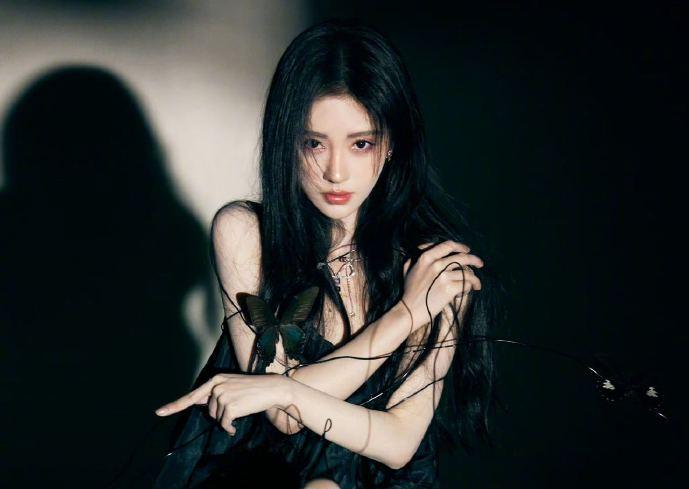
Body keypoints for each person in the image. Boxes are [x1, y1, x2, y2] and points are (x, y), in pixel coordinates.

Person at [153, 18, 500, 489]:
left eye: (361, 144)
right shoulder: (246, 233)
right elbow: (282, 419)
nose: (336, 172)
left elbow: (399, 442)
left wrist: (282, 388)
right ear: (288, 142)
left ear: (391, 144)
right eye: (314, 143)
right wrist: (404, 315)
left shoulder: (431, 267)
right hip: (262, 470)